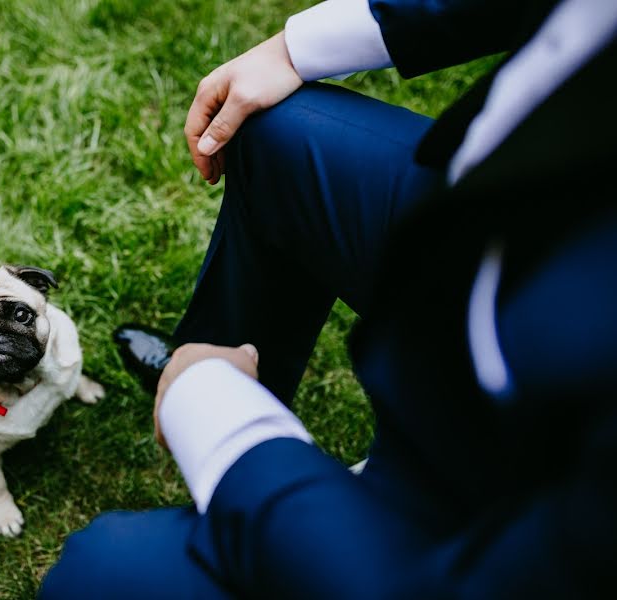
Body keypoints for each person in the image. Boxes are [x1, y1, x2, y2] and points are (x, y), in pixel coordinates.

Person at [40, 0, 617, 597]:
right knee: (273, 129)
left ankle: (236, 431)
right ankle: (220, 369)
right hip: (489, 212)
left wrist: (217, 415)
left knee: (98, 574)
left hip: (511, 481)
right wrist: (292, 48)